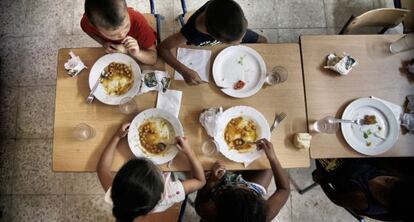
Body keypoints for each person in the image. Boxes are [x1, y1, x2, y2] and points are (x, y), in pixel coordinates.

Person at [97, 123, 206, 222]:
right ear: (161, 193)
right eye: (158, 172)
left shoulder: (117, 195)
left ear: (116, 185)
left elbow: (102, 168)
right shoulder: (170, 193)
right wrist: (189, 152)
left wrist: (117, 137)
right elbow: (200, 180)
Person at [158, 0, 267, 85]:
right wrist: (183, 70)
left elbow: (256, 40)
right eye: (232, 42)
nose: (240, 42)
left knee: (263, 41)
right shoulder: (191, 33)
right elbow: (162, 48)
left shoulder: (223, 8)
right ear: (213, 36)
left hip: (234, 29)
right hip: (215, 48)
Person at [194, 139, 290, 222]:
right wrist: (273, 158)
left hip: (220, 190)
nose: (240, 184)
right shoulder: (264, 213)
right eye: (244, 187)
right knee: (266, 165)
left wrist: (211, 182)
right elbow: (284, 189)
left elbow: (200, 203)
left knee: (203, 166)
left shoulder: (210, 212)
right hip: (244, 193)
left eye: (237, 186)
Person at [312, 158, 414, 221]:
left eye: (382, 193)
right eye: (387, 180)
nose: (377, 182)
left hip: (337, 172)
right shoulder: (399, 178)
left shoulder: (360, 200)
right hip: (357, 163)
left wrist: (322, 182)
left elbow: (336, 199)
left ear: (385, 206)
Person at [81, 0, 157, 65]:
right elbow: (88, 31)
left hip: (140, 48)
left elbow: (153, 58)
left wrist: (135, 53)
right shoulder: (86, 23)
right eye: (113, 35)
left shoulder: (139, 23)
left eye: (126, 26)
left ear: (127, 10)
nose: (123, 35)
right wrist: (103, 43)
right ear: (94, 27)